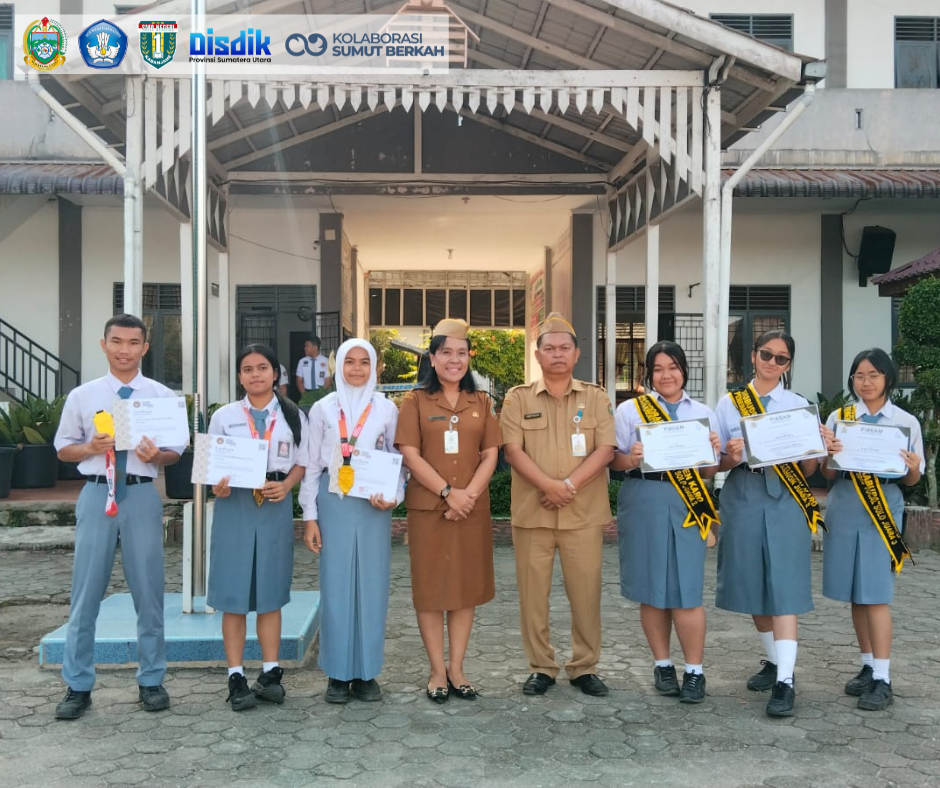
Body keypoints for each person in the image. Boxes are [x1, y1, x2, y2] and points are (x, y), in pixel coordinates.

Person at [53, 313, 185, 720]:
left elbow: (175, 451)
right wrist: (91, 447)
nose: (124, 350)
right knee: (86, 591)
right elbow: (62, 448)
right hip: (95, 496)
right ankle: (77, 684)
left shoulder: (163, 396)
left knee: (149, 589)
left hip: (142, 495)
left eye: (133, 343)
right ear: (103, 344)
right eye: (117, 341)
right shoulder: (83, 396)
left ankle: (151, 679)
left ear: (145, 348)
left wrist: (156, 456)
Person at [501, 312, 616, 697]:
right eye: (549, 348)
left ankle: (584, 666)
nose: (557, 354)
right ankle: (542, 666)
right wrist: (548, 486)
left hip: (582, 514)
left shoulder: (595, 397)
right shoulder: (517, 398)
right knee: (533, 596)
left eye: (564, 348)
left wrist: (566, 485)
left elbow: (605, 450)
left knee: (586, 595)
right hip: (533, 515)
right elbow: (513, 452)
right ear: (537, 355)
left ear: (577, 353)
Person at [715, 329, 825, 718]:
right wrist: (729, 454)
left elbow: (811, 468)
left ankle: (786, 682)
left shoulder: (798, 405)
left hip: (786, 497)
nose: (772, 363)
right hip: (743, 492)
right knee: (751, 582)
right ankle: (776, 661)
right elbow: (718, 463)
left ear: (788, 365)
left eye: (781, 358)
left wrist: (815, 444)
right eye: (766, 354)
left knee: (784, 584)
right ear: (754, 356)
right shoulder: (729, 404)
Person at [395, 319, 500, 703]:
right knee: (431, 591)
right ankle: (436, 671)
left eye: (461, 353)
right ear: (433, 358)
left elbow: (490, 454)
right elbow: (409, 453)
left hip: (471, 510)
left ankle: (457, 669)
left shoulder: (482, 402)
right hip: (429, 510)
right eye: (446, 353)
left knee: (464, 590)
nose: (455, 361)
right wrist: (446, 492)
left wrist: (467, 495)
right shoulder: (415, 401)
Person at [610, 341, 721, 704]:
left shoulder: (703, 412)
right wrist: (631, 457)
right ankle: (662, 665)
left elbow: (709, 471)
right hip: (643, 498)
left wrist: (713, 451)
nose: (666, 375)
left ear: (684, 370)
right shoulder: (630, 411)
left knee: (687, 590)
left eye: (672, 367)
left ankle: (694, 671)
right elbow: (614, 463)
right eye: (658, 369)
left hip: (689, 501)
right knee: (652, 588)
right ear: (648, 374)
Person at [299, 338, 404, 703]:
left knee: (372, 587)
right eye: (350, 362)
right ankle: (338, 675)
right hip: (335, 503)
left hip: (373, 507)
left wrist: (394, 496)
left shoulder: (387, 410)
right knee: (336, 586)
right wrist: (310, 517)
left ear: (374, 367)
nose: (357, 369)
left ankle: (367, 673)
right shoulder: (323, 409)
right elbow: (312, 465)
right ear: (338, 366)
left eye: (364, 362)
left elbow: (397, 461)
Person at [820, 348, 923, 711]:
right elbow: (829, 474)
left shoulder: (905, 422)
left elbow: (912, 478)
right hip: (846, 503)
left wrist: (911, 466)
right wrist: (827, 452)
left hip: (883, 505)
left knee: (876, 592)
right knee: (856, 591)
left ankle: (883, 677)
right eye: (859, 376)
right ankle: (866, 666)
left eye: (873, 375)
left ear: (888, 379)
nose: (866, 382)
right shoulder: (840, 417)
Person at [207, 343, 308, 711]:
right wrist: (215, 484)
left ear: (275, 373)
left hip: (274, 504)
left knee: (270, 591)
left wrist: (288, 484)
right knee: (233, 595)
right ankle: (235, 675)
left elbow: (304, 461)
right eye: (247, 369)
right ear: (239, 377)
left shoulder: (294, 415)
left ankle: (270, 672)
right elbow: (212, 464)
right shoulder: (225, 416)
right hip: (235, 503)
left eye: (262, 367)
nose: (255, 374)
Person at [296, 335, 331, 404]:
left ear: (315, 347)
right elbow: (299, 381)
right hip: (306, 393)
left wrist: (319, 395)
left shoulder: (326, 361)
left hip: (321, 394)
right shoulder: (302, 362)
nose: (305, 348)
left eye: (307, 346)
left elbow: (328, 381)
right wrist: (306, 395)